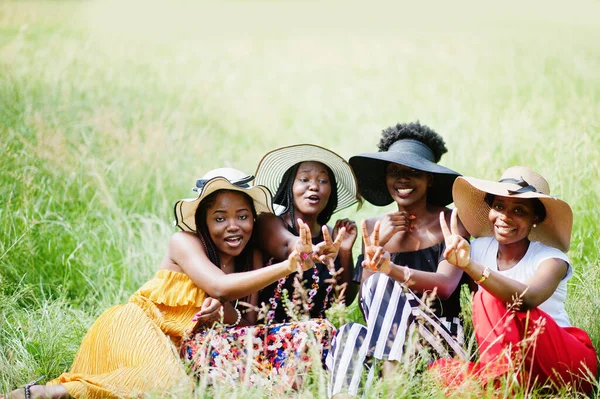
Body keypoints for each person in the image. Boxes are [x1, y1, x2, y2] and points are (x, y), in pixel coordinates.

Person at [6, 168, 323, 399]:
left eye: (242, 216)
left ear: (253, 219)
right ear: (203, 221)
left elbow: (246, 322)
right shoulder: (184, 243)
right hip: (137, 327)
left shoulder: (250, 258)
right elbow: (219, 287)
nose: (233, 227)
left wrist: (221, 315)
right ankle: (47, 394)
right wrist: (288, 266)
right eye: (220, 218)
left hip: (183, 349)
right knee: (167, 387)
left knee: (170, 385)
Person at [326, 122, 472, 398]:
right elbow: (368, 302)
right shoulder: (373, 227)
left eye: (413, 172)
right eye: (395, 172)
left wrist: (390, 268)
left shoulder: (451, 222)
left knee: (384, 281)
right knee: (349, 332)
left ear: (429, 178)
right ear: (385, 178)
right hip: (387, 341)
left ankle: (394, 389)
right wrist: (379, 244)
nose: (402, 179)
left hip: (439, 339)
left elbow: (445, 286)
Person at [434, 166, 598, 395]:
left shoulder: (551, 258)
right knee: (439, 370)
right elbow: (444, 283)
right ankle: (507, 385)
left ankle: (501, 390)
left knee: (488, 297)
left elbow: (526, 299)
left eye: (519, 210)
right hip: (514, 365)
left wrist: (470, 266)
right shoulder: (478, 248)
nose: (504, 217)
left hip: (564, 360)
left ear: (536, 218)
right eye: (499, 206)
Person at [253, 144, 361, 324]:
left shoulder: (330, 237)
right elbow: (288, 245)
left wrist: (344, 251)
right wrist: (309, 251)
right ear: (289, 186)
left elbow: (343, 300)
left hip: (315, 340)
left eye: (323, 181)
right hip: (266, 337)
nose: (314, 186)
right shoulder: (270, 222)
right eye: (304, 179)